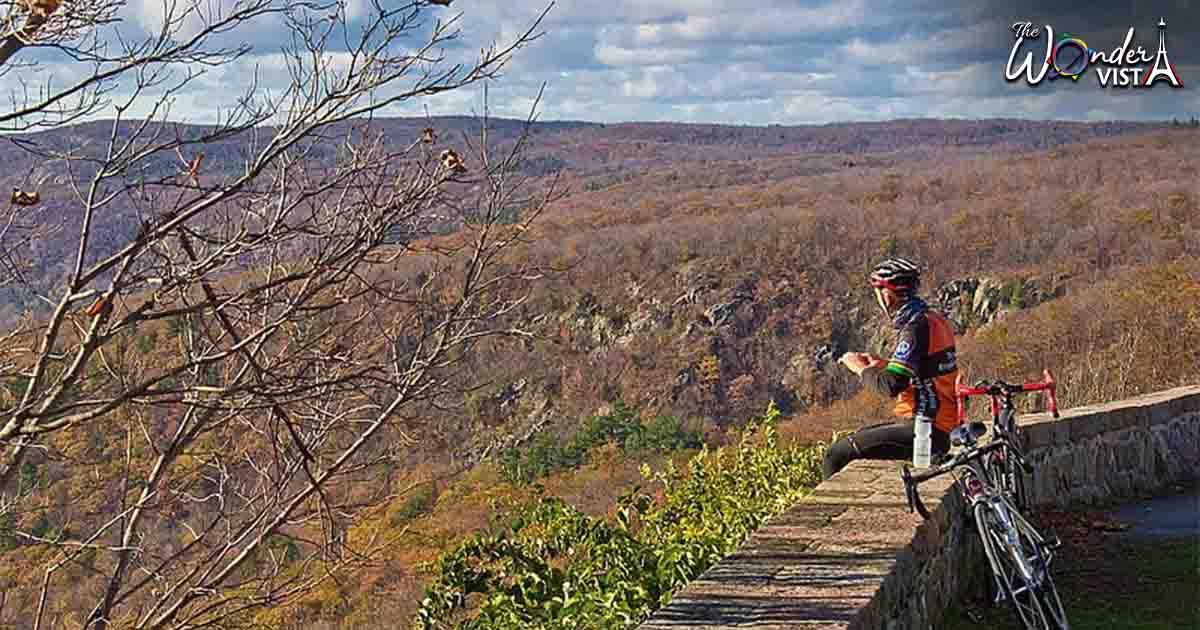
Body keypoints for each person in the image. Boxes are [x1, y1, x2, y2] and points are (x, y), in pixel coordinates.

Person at [824, 257, 960, 479]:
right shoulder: (934, 319)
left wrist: (859, 368)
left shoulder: (915, 327)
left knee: (836, 454)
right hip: (940, 422)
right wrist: (884, 365)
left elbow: (891, 386)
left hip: (927, 427)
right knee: (861, 436)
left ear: (886, 294)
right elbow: (926, 372)